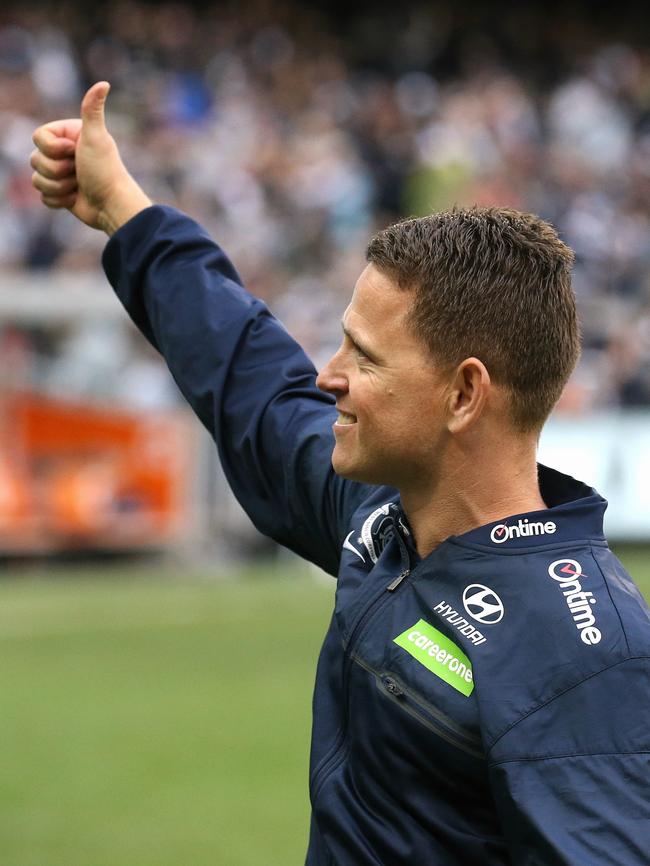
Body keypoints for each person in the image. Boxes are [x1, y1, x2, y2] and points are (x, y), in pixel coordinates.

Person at [31, 82, 650, 865]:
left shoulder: (586, 657)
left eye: (365, 356)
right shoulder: (382, 519)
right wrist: (123, 205)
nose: (331, 375)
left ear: (463, 394)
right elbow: (249, 374)